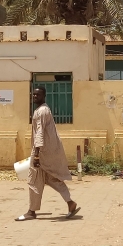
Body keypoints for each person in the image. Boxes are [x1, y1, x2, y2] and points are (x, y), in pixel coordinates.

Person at [16, 87, 80, 221]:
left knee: (33, 181)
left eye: (37, 95)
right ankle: (70, 203)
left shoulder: (42, 111)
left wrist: (37, 155)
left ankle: (31, 212)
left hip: (42, 152)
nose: (34, 96)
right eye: (33, 94)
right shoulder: (42, 110)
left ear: (44, 96)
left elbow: (39, 132)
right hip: (47, 151)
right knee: (52, 179)